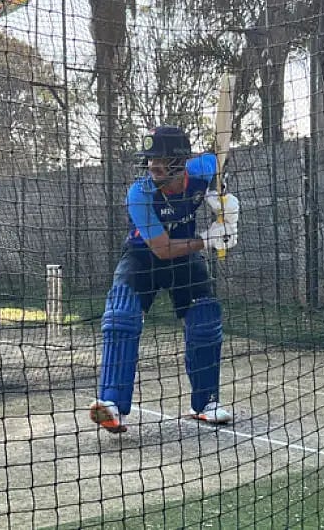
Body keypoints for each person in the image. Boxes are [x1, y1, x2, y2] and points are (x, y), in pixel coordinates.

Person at [88, 125, 240, 433]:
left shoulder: (202, 169)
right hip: (142, 256)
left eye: (161, 159)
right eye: (150, 159)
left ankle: (206, 402)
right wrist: (210, 239)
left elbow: (218, 158)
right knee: (121, 316)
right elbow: (162, 248)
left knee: (205, 317)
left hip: (185, 261)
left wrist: (223, 197)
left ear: (181, 161)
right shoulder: (139, 194)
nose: (152, 165)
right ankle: (111, 404)